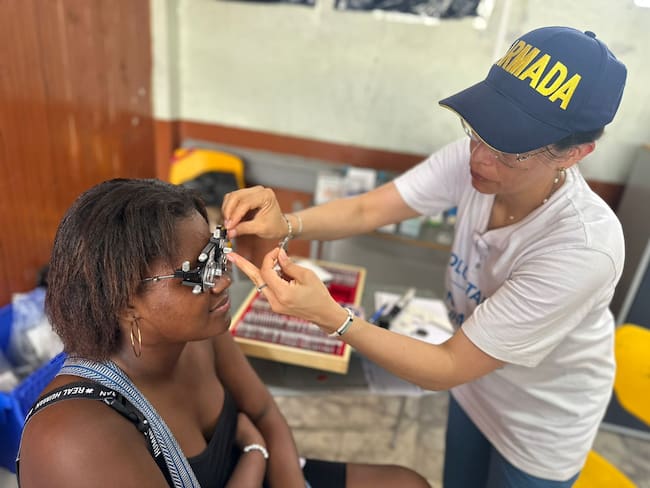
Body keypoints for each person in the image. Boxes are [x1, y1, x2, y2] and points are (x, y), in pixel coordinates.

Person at [221, 26, 628, 488]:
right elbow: (367, 209)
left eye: (509, 150)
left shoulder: (582, 249)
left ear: (575, 154)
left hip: (540, 422)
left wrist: (331, 317)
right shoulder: (476, 160)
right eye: (478, 130)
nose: (479, 157)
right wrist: (286, 224)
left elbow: (448, 366)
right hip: (476, 389)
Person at [16, 178, 431, 488]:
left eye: (218, 255)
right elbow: (258, 434)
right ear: (124, 299)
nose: (223, 281)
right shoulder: (74, 439)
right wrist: (253, 456)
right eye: (199, 272)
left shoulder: (200, 334)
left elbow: (263, 413)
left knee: (407, 483)